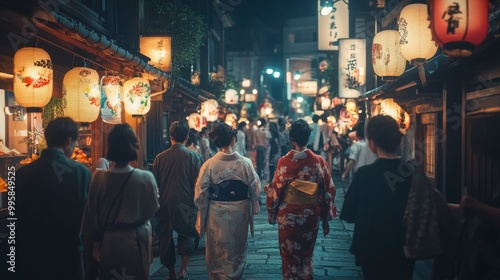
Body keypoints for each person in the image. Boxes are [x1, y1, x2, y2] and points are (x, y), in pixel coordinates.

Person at [340, 115, 415, 280]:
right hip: (404, 246)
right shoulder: (412, 172)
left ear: (372, 142)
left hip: (370, 246)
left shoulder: (364, 174)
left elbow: (348, 213)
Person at [80, 123, 159, 280]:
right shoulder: (145, 178)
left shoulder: (98, 179)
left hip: (109, 241)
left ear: (111, 146)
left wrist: (89, 251)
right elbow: (152, 210)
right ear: (134, 146)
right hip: (137, 241)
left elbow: (90, 218)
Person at [16, 117, 91, 280]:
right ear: (69, 140)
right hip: (68, 256)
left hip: (31, 259)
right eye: (75, 142)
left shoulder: (21, 174)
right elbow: (88, 218)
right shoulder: (80, 172)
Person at [265, 119, 337, 280]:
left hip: (288, 215)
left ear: (291, 139)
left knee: (289, 254)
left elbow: (275, 191)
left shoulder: (284, 162)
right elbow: (328, 191)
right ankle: (305, 275)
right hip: (310, 214)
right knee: (305, 253)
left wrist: (272, 212)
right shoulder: (318, 161)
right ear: (308, 138)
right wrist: (326, 216)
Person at [194, 122, 261, 280]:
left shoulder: (209, 164)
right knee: (236, 249)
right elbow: (255, 189)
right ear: (233, 140)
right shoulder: (245, 163)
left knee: (217, 249)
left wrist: (203, 207)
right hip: (240, 210)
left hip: (216, 212)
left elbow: (199, 193)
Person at [153, 121, 203, 280]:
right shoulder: (195, 156)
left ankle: (171, 273)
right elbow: (199, 183)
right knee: (188, 234)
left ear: (171, 136)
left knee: (165, 237)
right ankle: (184, 269)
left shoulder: (159, 158)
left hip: (165, 203)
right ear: (187, 137)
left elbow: (156, 183)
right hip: (187, 202)